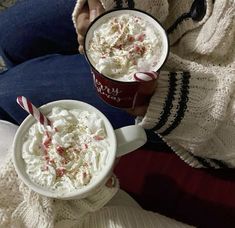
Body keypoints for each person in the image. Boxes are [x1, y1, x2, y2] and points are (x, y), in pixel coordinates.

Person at [0, 0, 234, 227]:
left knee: (7, 91)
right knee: (9, 32)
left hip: (193, 95)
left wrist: (167, 100)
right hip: (158, 11)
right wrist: (106, 5)